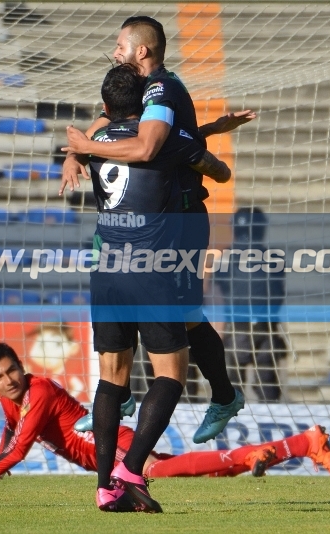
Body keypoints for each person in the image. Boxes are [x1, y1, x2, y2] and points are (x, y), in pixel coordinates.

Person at [61, 15, 256, 444]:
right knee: (155, 306)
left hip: (181, 220)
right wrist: (74, 155)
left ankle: (222, 396)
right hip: (157, 218)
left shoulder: (162, 88)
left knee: (181, 317)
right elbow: (113, 122)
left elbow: (151, 145)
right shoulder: (142, 92)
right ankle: (121, 393)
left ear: (142, 50)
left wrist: (86, 148)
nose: (115, 52)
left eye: (120, 46)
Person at [81, 63, 235, 513]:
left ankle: (105, 486)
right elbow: (213, 168)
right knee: (170, 374)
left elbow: (111, 135)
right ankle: (131, 469)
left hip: (104, 268)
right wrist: (207, 138)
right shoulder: (162, 142)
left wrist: (77, 150)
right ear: (147, 102)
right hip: (151, 267)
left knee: (112, 378)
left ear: (107, 107)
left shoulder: (95, 143)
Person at [0, 344, 330, 505]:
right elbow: (11, 434)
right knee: (193, 471)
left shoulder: (39, 393)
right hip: (106, 451)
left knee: (162, 471)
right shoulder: (11, 399)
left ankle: (293, 445)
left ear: (21, 367)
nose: (9, 380)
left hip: (112, 445)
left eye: (12, 371)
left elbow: (20, 448)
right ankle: (304, 443)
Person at [218, 207, 287, 402]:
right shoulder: (273, 257)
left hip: (247, 329)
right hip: (260, 329)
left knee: (236, 385)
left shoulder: (227, 257)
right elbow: (278, 293)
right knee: (263, 383)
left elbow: (219, 293)